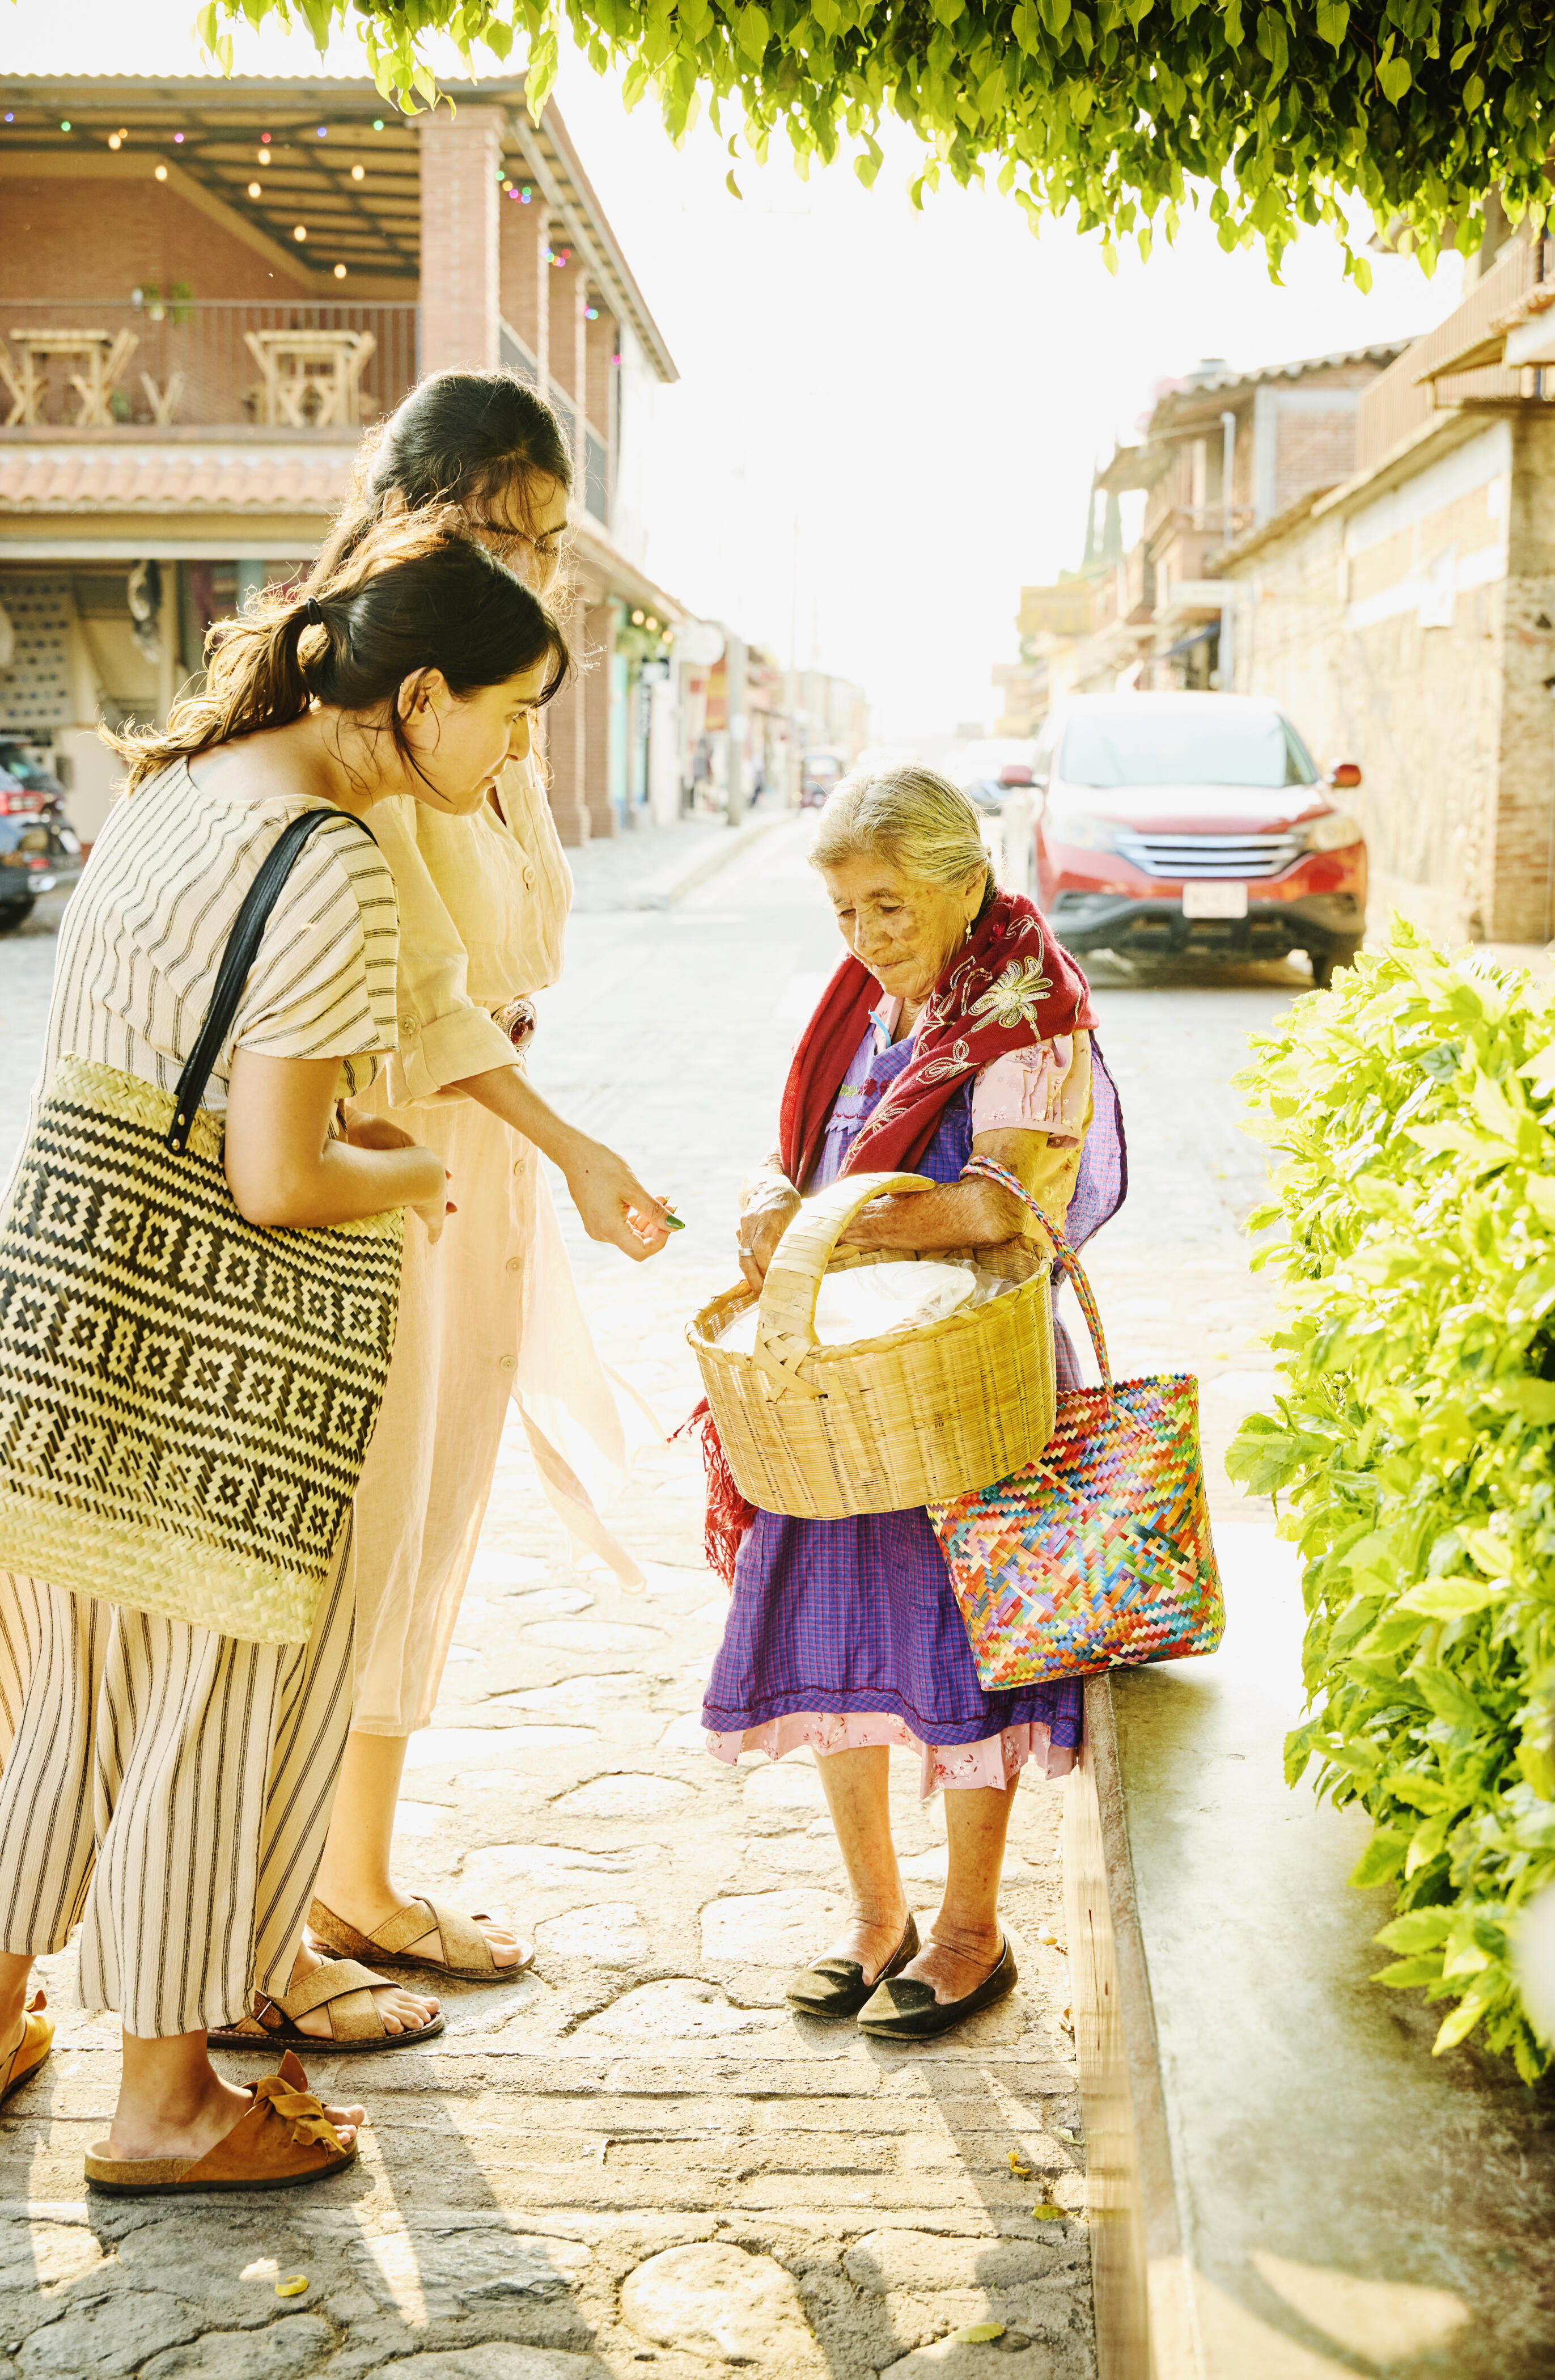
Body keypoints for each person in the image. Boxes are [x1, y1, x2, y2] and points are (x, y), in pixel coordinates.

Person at [0, 521, 570, 2188]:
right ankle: (165, 2105)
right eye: (513, 714)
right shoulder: (329, 857)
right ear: (418, 696)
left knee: (71, 1694)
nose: (519, 751)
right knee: (213, 1706)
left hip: (71, 1314)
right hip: (227, 1367)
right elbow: (286, 1174)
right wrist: (410, 1165)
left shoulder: (173, 787)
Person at [295, 373, 673, 1999]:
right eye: (499, 530)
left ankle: (352, 1872)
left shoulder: (491, 700)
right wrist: (573, 1145)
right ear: (416, 512)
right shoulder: (384, 689)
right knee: (361, 1512)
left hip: (478, 1127)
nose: (531, 564)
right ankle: (298, 1883)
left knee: (434, 1501)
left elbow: (505, 957)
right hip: (396, 1133)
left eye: (550, 537)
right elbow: (427, 991)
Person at [701, 763, 1125, 2040]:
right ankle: (874, 1918)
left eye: (888, 904)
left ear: (962, 879)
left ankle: (967, 1931)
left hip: (956, 1383)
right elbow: (812, 1161)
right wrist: (769, 1209)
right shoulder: (859, 1006)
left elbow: (1001, 1204)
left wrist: (826, 1239)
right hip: (844, 1385)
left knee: (959, 1653)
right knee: (834, 1641)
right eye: (842, 910)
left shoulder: (1028, 1011)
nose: (865, 936)